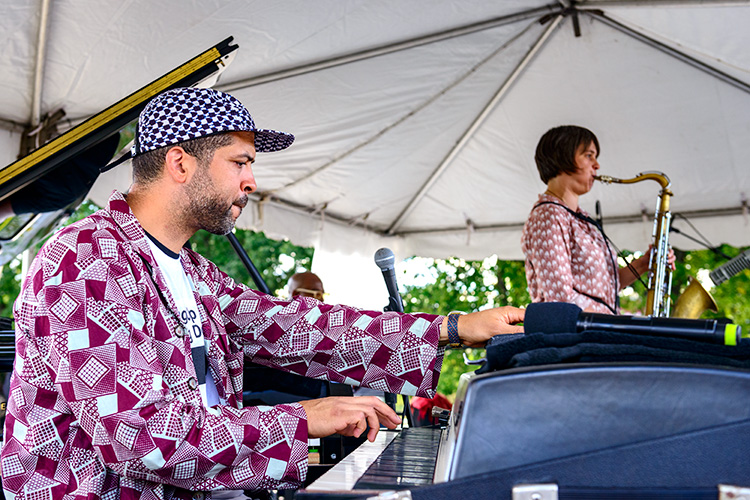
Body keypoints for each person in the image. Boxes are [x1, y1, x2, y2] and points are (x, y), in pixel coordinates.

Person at [1, 87, 525, 499]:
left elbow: (297, 327)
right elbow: (137, 435)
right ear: (180, 162)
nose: (253, 180)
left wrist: (453, 327)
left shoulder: (192, 271)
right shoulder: (86, 257)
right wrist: (305, 420)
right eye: (240, 161)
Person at [521, 125, 672, 315]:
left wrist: (645, 263)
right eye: (589, 155)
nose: (597, 165)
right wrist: (623, 322)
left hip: (595, 331)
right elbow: (559, 296)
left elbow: (606, 286)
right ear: (562, 156)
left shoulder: (580, 217)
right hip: (577, 338)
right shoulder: (549, 214)